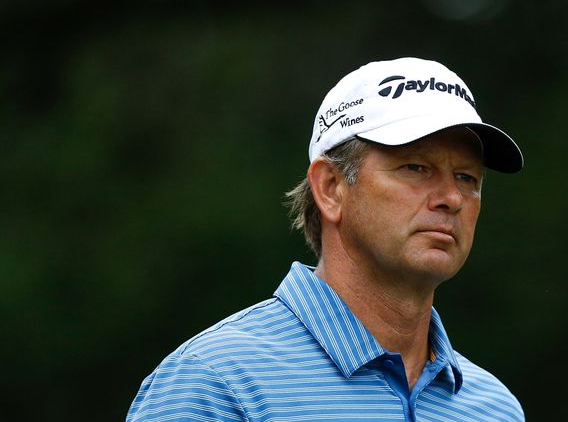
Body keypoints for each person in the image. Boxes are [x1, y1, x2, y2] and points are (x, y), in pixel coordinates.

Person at [126, 57, 525, 421]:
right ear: (331, 188)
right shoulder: (216, 384)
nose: (452, 198)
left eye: (467, 178)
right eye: (415, 167)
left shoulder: (494, 408)